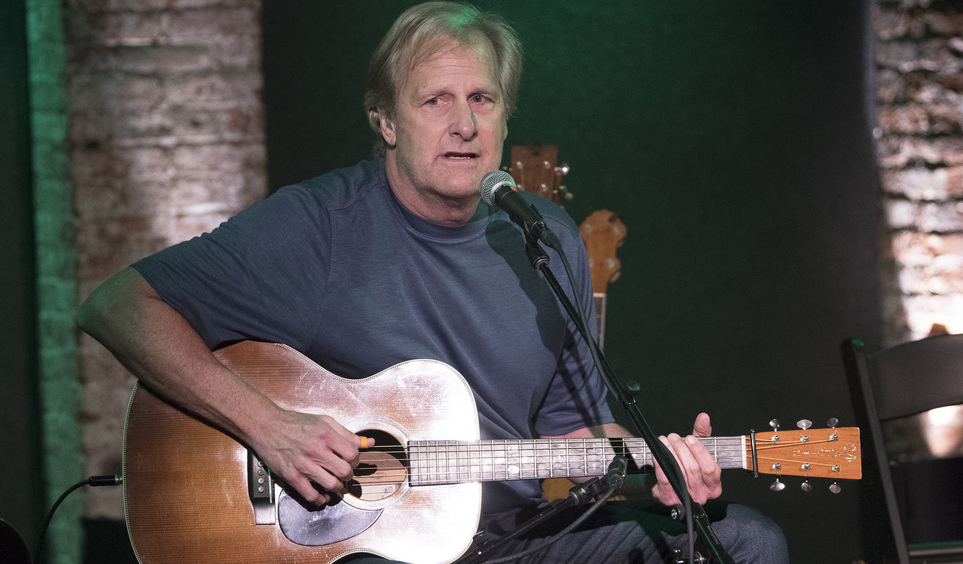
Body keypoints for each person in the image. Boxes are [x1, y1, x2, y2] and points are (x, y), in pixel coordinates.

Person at [77, 2, 788, 562]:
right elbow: (118, 306)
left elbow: (572, 437)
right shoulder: (317, 227)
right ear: (384, 120)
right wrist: (271, 428)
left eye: (482, 99)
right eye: (434, 101)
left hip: (518, 541)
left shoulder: (546, 239)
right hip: (368, 549)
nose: (463, 124)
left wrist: (657, 469)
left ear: (506, 117)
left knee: (745, 541)